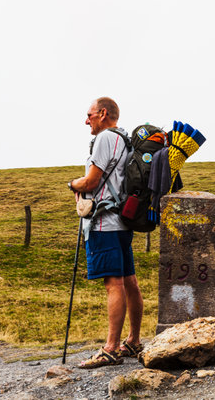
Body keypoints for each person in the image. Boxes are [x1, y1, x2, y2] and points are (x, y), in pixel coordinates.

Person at [68, 97, 143, 369]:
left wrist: (72, 184)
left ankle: (111, 348)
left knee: (113, 283)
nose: (86, 120)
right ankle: (133, 340)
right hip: (123, 222)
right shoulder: (124, 139)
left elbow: (92, 180)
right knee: (129, 281)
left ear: (102, 113)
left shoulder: (103, 139)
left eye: (89, 115)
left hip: (103, 222)